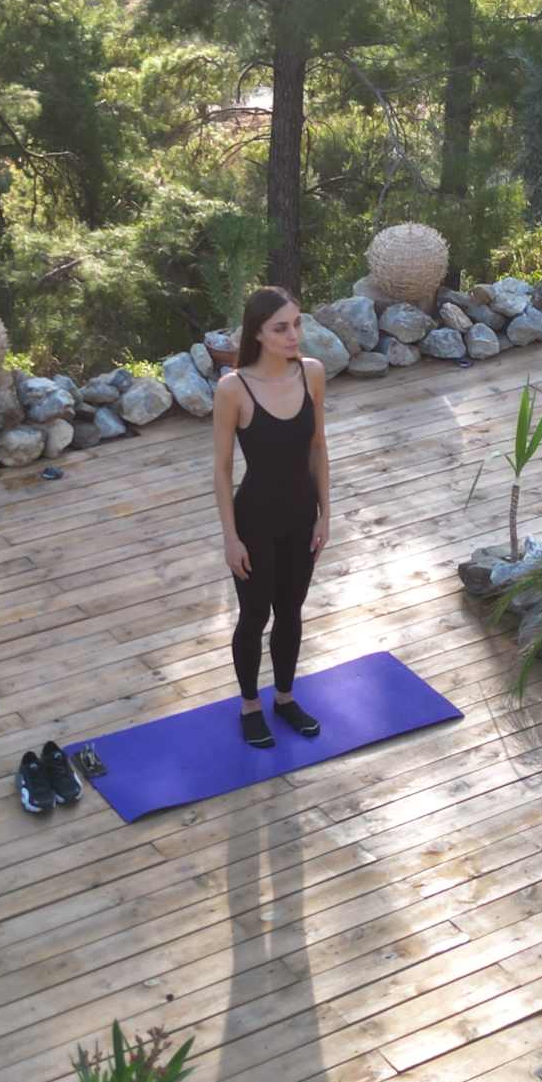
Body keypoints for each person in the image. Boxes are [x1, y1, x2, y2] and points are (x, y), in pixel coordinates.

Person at [212, 286, 331, 748]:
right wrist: (231, 538)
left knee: (291, 612)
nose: (293, 335)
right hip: (255, 520)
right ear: (258, 334)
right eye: (280, 328)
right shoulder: (233, 389)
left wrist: (325, 515)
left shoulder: (312, 373)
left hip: (301, 517)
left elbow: (318, 448)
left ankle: (284, 698)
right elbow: (222, 470)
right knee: (254, 614)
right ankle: (249, 706)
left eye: (296, 324)